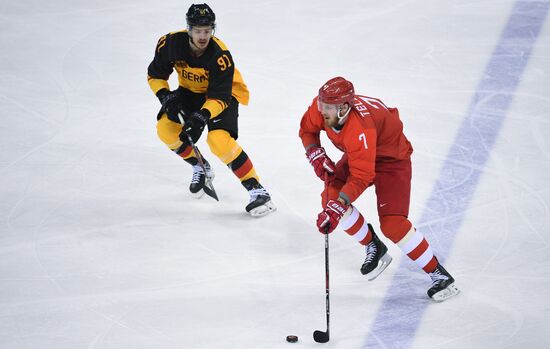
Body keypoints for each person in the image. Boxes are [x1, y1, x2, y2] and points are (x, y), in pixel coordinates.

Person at [299, 77, 460, 302]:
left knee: (393, 224)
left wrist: (339, 207)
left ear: (344, 107)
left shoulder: (359, 129)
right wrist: (314, 151)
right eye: (321, 104)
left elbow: (361, 177)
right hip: (363, 154)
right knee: (330, 197)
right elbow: (307, 129)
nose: (321, 110)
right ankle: (373, 245)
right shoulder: (324, 106)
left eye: (327, 107)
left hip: (392, 161)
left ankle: (438, 274)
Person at [146, 3, 275, 217]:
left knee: (218, 141)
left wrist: (201, 117)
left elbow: (220, 97)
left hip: (223, 96)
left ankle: (257, 191)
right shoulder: (169, 44)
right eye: (198, 31)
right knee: (166, 130)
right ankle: (201, 166)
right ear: (189, 29)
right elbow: (156, 75)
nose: (203, 36)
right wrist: (165, 96)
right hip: (190, 92)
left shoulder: (220, 56)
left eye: (207, 31)